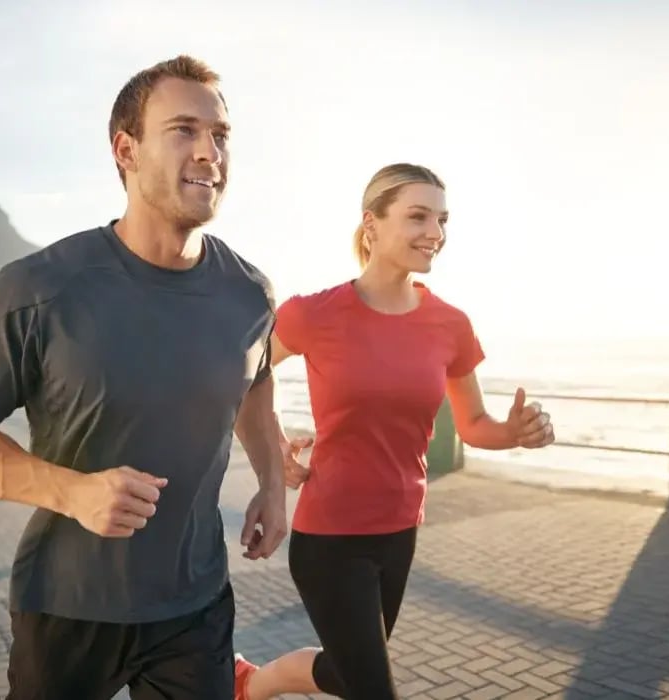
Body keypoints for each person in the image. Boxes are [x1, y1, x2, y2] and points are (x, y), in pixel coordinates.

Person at [0, 55, 288, 700]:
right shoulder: (41, 289)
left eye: (221, 135)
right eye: (183, 131)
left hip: (197, 604)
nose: (210, 152)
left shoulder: (250, 293)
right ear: (126, 149)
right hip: (68, 606)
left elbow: (255, 384)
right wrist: (72, 492)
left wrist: (274, 484)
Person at [232, 163, 556, 700]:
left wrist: (517, 432)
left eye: (442, 219)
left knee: (347, 672)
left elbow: (475, 426)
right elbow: (246, 375)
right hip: (330, 537)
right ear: (372, 224)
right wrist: (275, 446)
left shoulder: (451, 325)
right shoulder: (313, 314)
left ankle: (249, 683)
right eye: (418, 216)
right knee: (373, 691)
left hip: (400, 531)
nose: (436, 232)